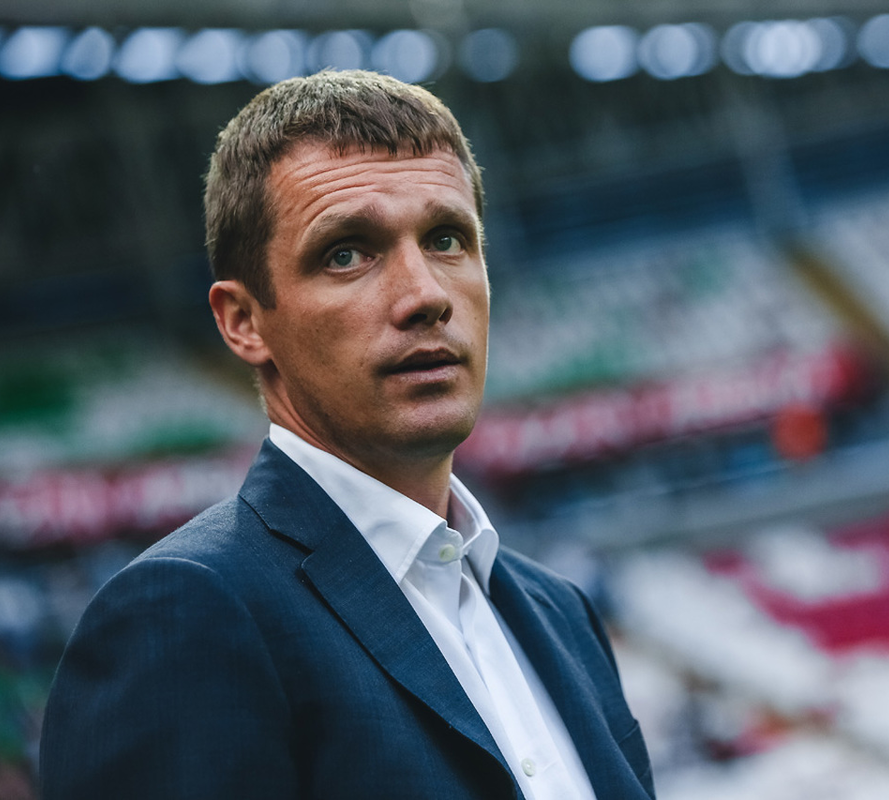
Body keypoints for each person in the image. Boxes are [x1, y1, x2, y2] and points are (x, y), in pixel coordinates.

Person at [39, 70, 655, 800]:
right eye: (347, 253)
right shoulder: (181, 617)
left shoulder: (562, 614)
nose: (426, 295)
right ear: (244, 322)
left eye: (447, 239)